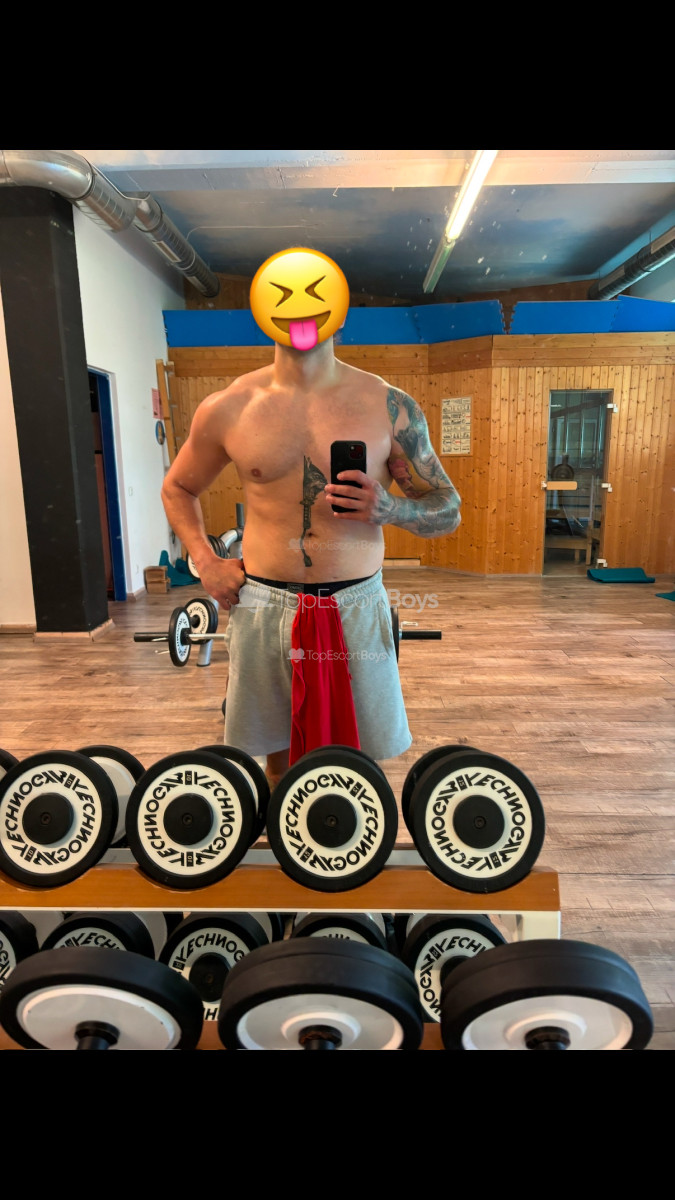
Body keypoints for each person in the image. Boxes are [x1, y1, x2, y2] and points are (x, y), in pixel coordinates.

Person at [161, 248, 461, 787]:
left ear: (340, 314)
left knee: (360, 754)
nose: (300, 309)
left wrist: (389, 507)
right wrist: (205, 561)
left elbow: (449, 509)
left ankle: (348, 829)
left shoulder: (389, 406)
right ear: (262, 311)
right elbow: (178, 487)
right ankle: (284, 830)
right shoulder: (229, 406)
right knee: (277, 756)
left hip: (356, 603)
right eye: (282, 296)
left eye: (316, 296)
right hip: (264, 603)